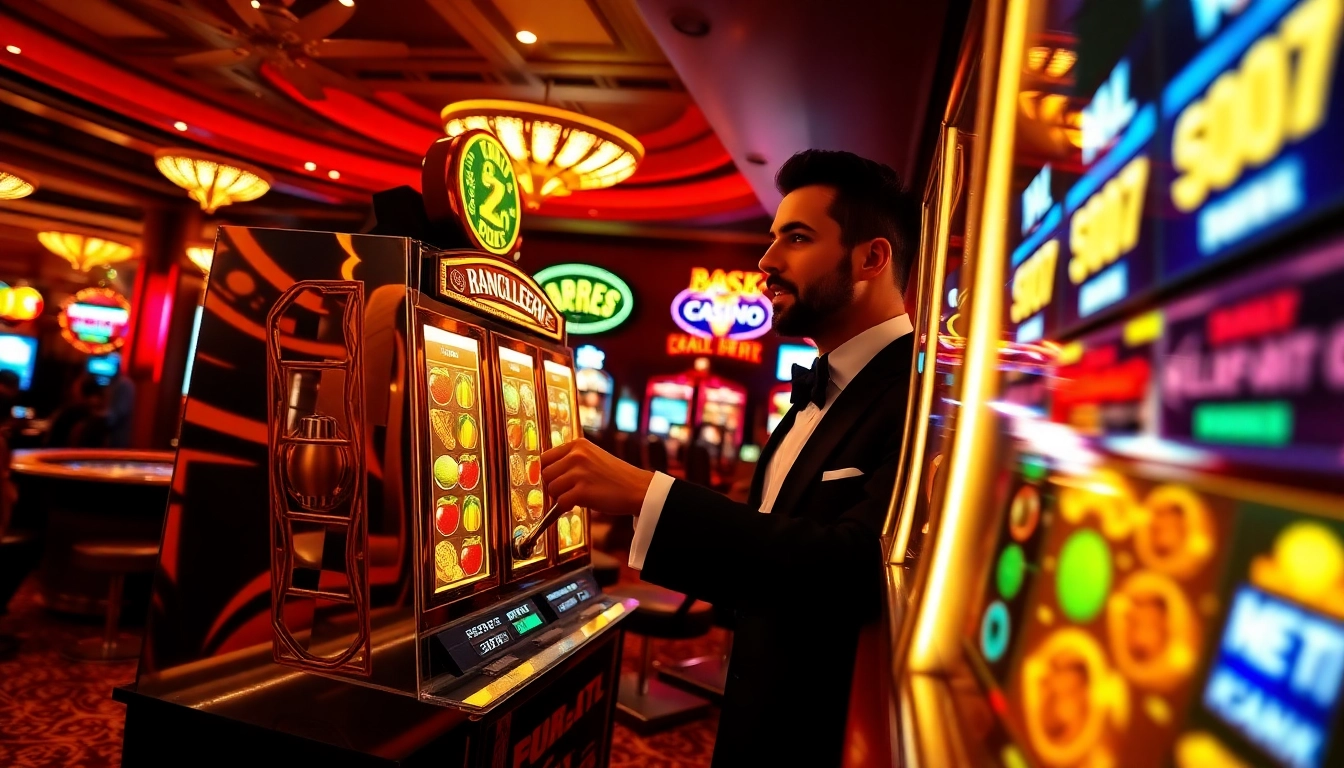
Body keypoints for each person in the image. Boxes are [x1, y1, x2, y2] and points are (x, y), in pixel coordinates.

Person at [541, 149, 920, 767]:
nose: (767, 261)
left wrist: (647, 493)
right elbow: (773, 548)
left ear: (872, 257)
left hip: (827, 733)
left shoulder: (918, 397)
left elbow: (854, 571)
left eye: (797, 238)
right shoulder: (823, 384)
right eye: (773, 238)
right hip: (756, 709)